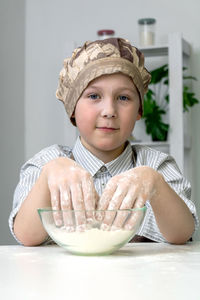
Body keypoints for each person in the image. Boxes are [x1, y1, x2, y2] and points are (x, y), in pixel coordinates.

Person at [9, 38, 198, 246]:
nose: (109, 111)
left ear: (139, 111)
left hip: (141, 278)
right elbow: (25, 236)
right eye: (94, 96)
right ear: (72, 108)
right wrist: (47, 177)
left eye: (123, 98)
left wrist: (155, 183)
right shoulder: (46, 164)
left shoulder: (156, 165)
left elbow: (182, 233)